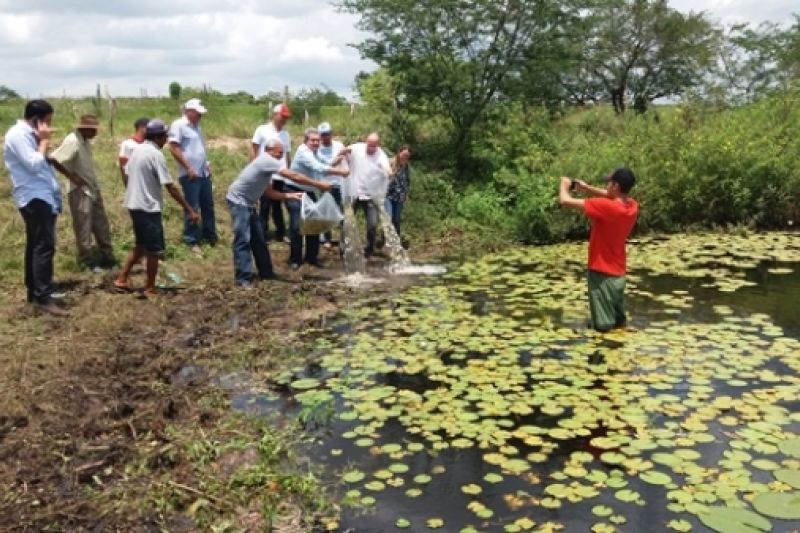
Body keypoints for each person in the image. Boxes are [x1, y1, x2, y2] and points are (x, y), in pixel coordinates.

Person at [3, 99, 77, 316]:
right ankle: (42, 297)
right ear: (35, 119)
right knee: (44, 246)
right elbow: (34, 164)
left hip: (42, 196)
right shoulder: (17, 135)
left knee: (37, 245)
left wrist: (40, 139)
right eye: (46, 121)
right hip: (33, 197)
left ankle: (37, 293)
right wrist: (43, 141)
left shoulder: (28, 135)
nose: (48, 126)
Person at [227, 138, 333, 288]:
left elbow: (269, 192)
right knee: (243, 239)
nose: (281, 157)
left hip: (248, 204)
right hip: (238, 202)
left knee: (258, 239)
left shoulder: (267, 169)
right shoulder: (266, 160)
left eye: (282, 154)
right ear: (269, 151)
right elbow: (293, 176)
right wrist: (319, 184)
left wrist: (289, 195)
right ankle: (243, 279)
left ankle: (266, 272)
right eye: (279, 153)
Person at [115, 120, 199, 296]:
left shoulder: (137, 150)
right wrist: (189, 209)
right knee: (154, 250)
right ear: (158, 137)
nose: (166, 140)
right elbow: (170, 186)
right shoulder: (155, 155)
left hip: (133, 204)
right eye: (165, 137)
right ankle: (150, 288)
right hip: (147, 207)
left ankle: (121, 279)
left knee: (141, 246)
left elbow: (127, 172)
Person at [558, 168, 639, 332]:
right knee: (618, 324)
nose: (606, 185)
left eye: (609, 182)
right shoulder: (632, 206)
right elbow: (612, 196)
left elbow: (565, 201)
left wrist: (564, 185)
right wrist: (587, 189)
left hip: (601, 275)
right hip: (618, 275)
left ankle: (604, 354)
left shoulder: (606, 207)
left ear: (615, 186)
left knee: (603, 328)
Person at [51, 114, 115, 270]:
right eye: (94, 130)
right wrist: (70, 176)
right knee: (83, 226)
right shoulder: (72, 141)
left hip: (91, 187)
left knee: (101, 223)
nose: (96, 133)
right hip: (79, 190)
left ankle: (107, 256)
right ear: (85, 129)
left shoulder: (84, 141)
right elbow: (54, 158)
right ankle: (87, 260)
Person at [286, 127, 349, 269]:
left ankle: (311, 257)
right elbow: (317, 168)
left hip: (309, 192)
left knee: (314, 224)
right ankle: (295, 259)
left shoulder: (315, 152)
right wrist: (340, 172)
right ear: (306, 141)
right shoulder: (303, 151)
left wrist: (337, 161)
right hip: (294, 190)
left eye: (317, 140)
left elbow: (323, 165)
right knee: (297, 225)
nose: (315, 143)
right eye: (312, 140)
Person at [168, 98, 216, 251]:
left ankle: (210, 236)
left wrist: (206, 163)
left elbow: (199, 148)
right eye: (197, 113)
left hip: (202, 172)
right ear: (188, 111)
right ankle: (191, 240)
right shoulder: (179, 125)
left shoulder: (197, 126)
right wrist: (188, 167)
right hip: (190, 174)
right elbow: (174, 147)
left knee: (207, 205)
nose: (200, 116)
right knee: (192, 206)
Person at [343, 132, 392, 258]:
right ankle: (343, 249)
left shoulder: (381, 155)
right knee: (346, 221)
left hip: (369, 195)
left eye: (373, 146)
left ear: (378, 145)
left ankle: (369, 248)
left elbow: (387, 167)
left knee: (372, 224)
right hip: (353, 192)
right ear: (366, 142)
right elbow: (345, 149)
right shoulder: (357, 148)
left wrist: (389, 172)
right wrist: (343, 153)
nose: (370, 148)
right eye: (369, 145)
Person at [251, 103, 292, 242]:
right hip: (265, 173)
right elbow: (254, 149)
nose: (284, 120)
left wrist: (289, 171)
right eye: (282, 116)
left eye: (286, 118)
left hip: (281, 174)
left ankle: (281, 232)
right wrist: (255, 169)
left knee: (278, 204)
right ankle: (262, 233)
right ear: (275, 115)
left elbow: (287, 154)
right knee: (265, 204)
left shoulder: (286, 134)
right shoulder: (262, 130)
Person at [315, 121, 349, 248]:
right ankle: (327, 238)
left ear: (331, 133)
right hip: (325, 184)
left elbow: (347, 160)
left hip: (340, 184)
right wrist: (335, 162)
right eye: (323, 134)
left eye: (328, 134)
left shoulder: (339, 145)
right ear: (320, 135)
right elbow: (321, 167)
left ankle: (343, 239)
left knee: (342, 211)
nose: (326, 136)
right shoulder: (317, 149)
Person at [385, 144, 411, 240]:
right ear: (399, 153)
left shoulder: (406, 165)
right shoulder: (390, 162)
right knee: (389, 218)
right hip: (388, 195)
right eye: (404, 154)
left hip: (400, 196)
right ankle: (387, 240)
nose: (405, 157)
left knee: (396, 219)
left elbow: (407, 181)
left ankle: (397, 239)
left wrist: (407, 194)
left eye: (407, 156)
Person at [118, 117, 149, 186]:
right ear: (141, 128)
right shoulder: (127, 144)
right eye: (148, 128)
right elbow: (123, 166)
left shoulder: (149, 144)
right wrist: (127, 184)